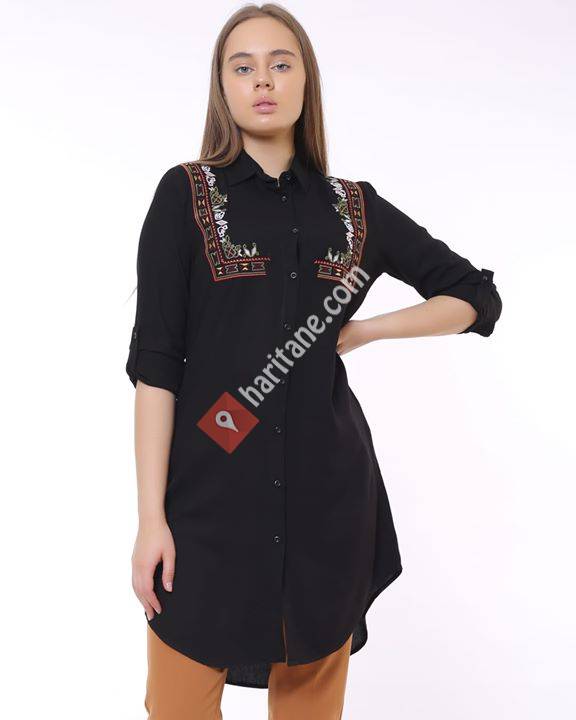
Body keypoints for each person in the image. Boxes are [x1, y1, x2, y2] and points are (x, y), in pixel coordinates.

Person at [126, 4, 503, 719]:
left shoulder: (355, 210)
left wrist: (365, 331)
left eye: (281, 63)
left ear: (307, 80)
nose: (263, 80)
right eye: (243, 66)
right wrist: (151, 520)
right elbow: (156, 369)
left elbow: (475, 298)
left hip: (328, 505)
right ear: (222, 86)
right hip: (207, 504)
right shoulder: (186, 196)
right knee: (176, 705)